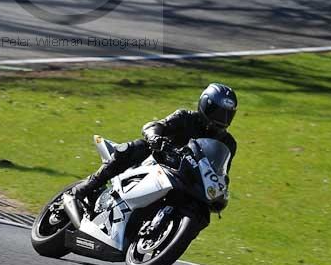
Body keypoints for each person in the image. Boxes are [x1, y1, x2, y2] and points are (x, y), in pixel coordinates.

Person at [70, 83, 237, 214]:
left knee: (202, 208)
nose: (221, 118)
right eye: (217, 111)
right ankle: (87, 187)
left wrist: (221, 187)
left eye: (227, 114)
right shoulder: (185, 117)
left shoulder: (228, 143)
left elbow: (221, 171)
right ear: (205, 104)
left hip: (186, 178)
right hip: (159, 160)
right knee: (135, 147)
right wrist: (155, 138)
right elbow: (155, 125)